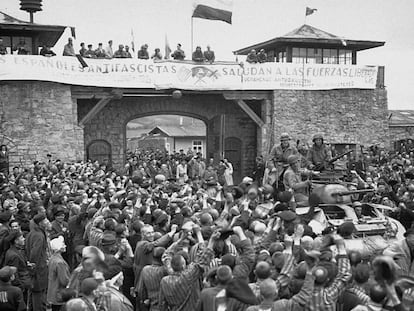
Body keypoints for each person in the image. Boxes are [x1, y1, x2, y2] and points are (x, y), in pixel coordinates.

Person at [26, 213, 50, 311]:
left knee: (33, 296)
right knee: (39, 298)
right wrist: (33, 268)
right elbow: (34, 253)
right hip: (39, 271)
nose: (48, 221)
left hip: (36, 270)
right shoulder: (39, 235)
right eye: (46, 220)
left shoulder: (32, 232)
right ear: (41, 223)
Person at [47, 236, 70, 311]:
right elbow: (64, 280)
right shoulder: (60, 262)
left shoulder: (52, 259)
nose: (65, 246)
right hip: (59, 294)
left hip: (53, 292)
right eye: (63, 244)